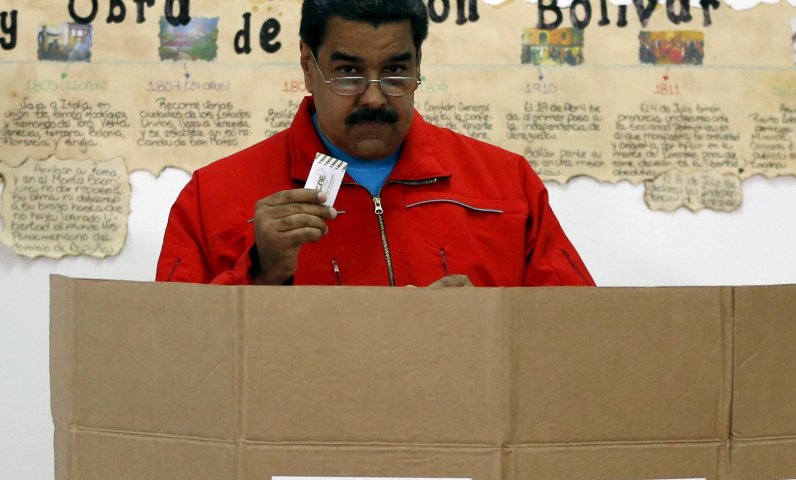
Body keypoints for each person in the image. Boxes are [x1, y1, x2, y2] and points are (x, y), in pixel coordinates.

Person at [156, 0, 593, 287]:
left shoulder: (506, 183)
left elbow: (577, 333)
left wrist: (490, 327)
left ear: (419, 63)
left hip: (462, 425)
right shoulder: (211, 197)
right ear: (309, 67)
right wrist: (261, 273)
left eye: (396, 71)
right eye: (348, 73)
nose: (374, 96)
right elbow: (175, 356)